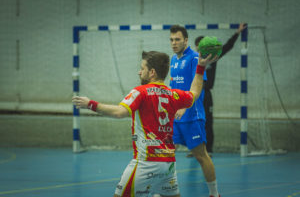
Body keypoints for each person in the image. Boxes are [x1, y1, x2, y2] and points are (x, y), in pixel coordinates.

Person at [72, 50, 217, 197]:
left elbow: (119, 112)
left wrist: (90, 104)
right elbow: (194, 93)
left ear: (152, 72)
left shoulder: (140, 92)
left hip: (145, 163)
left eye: (142, 69)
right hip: (168, 166)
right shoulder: (174, 94)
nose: (139, 72)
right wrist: (200, 67)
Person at [169, 25, 220, 197]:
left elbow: (197, 86)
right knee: (166, 154)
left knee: (201, 156)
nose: (174, 43)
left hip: (192, 117)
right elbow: (174, 87)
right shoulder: (173, 60)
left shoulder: (195, 59)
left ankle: (214, 193)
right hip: (175, 118)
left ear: (185, 40)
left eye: (177, 39)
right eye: (171, 40)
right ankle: (164, 191)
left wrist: (185, 105)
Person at [192, 23, 247, 156]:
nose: (201, 49)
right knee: (194, 122)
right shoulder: (193, 59)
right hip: (194, 94)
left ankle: (208, 149)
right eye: (199, 47)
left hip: (206, 94)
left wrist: (237, 33)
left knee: (208, 122)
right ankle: (195, 149)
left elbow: (227, 46)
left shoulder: (213, 58)